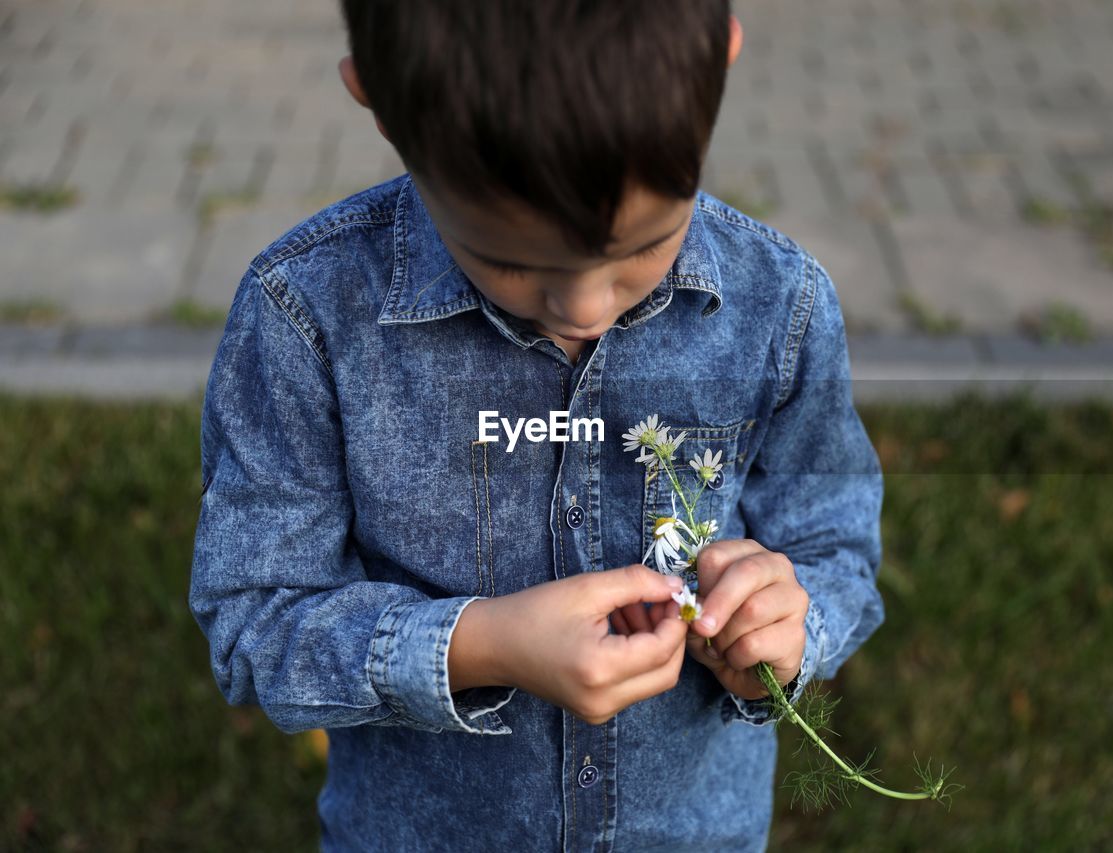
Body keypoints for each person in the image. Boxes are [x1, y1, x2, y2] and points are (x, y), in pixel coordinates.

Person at [189, 2, 885, 850]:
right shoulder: (308, 317)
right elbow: (254, 620)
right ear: (377, 100)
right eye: (512, 261)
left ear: (722, 62)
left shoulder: (781, 305)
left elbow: (836, 544)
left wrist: (787, 627)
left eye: (644, 246)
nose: (586, 308)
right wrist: (481, 645)